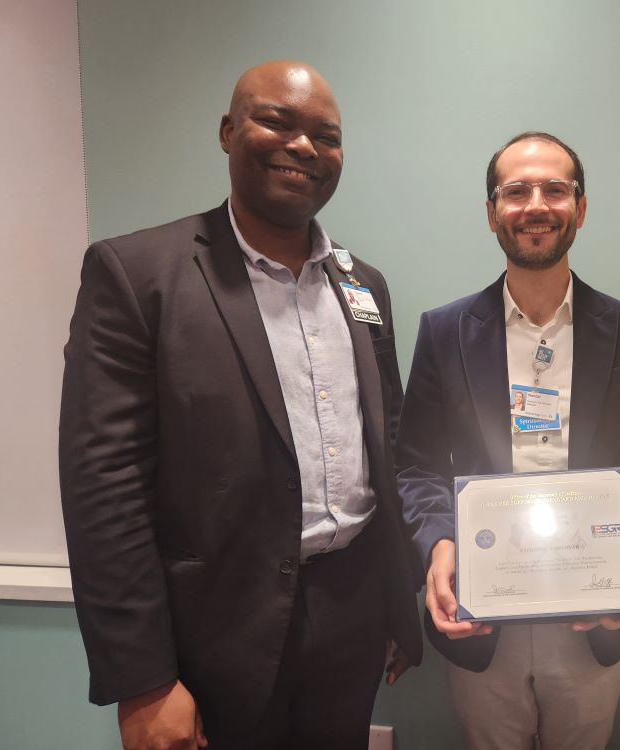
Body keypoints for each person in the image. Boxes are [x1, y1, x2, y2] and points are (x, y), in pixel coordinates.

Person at [59, 60, 421, 750]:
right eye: (277, 122)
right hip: (211, 642)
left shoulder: (363, 286)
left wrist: (394, 609)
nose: (304, 146)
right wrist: (142, 679)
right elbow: (103, 491)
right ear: (228, 132)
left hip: (352, 621)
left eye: (326, 134)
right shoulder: (137, 277)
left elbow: (389, 448)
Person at [395, 131, 620, 749]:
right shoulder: (444, 331)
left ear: (581, 206)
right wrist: (438, 543)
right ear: (492, 211)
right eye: (515, 191)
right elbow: (415, 466)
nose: (535, 205)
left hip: (593, 613)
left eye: (555, 189)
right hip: (481, 611)